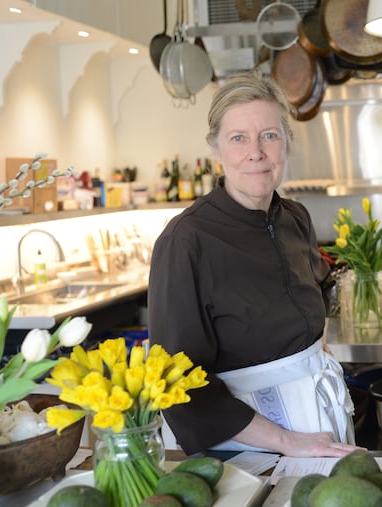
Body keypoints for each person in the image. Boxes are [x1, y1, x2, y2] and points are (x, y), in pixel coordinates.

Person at [148, 72, 360, 457]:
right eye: (238, 138)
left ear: (286, 144)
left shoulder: (295, 217)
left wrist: (313, 347)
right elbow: (174, 380)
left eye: (270, 135)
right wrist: (288, 442)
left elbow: (320, 286)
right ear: (215, 148)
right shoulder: (186, 241)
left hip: (318, 429)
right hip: (243, 448)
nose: (256, 153)